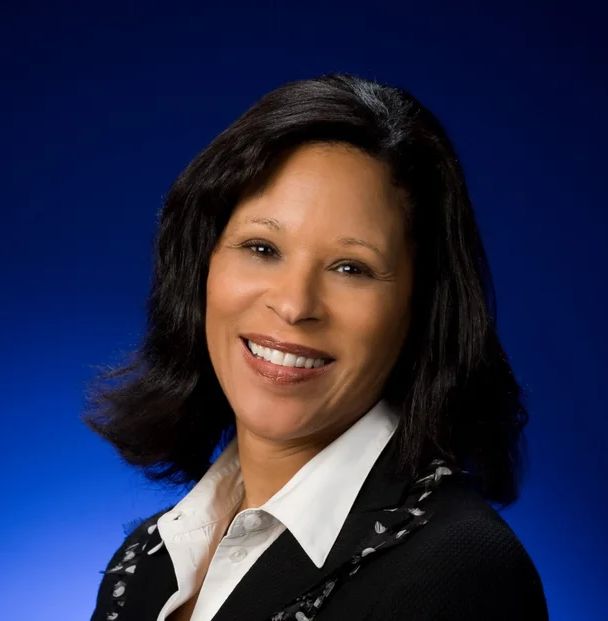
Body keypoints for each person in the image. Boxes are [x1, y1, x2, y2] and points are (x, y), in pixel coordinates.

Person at [85, 73, 547, 621]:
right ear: (202, 267)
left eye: (351, 267)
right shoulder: (144, 564)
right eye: (262, 247)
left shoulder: (458, 576)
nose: (294, 304)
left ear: (422, 308)